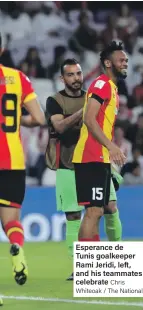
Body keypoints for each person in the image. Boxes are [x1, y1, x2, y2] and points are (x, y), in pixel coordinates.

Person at [46, 57, 124, 280]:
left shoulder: (95, 94)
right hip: (67, 165)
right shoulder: (55, 101)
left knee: (110, 207)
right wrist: (86, 110)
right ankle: (80, 267)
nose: (76, 79)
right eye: (70, 75)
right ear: (62, 78)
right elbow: (59, 126)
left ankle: (115, 254)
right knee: (73, 215)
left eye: (79, 74)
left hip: (95, 162)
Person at [0, 33, 45, 286]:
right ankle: (17, 248)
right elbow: (39, 119)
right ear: (3, 48)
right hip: (13, 162)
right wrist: (19, 120)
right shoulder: (19, 78)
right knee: (12, 221)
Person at [73, 41, 128, 242]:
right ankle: (86, 268)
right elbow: (88, 118)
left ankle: (91, 267)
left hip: (99, 157)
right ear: (107, 62)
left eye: (126, 60)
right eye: (121, 60)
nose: (125, 63)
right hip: (90, 156)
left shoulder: (112, 88)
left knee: (98, 211)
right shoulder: (101, 83)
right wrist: (111, 146)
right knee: (93, 212)